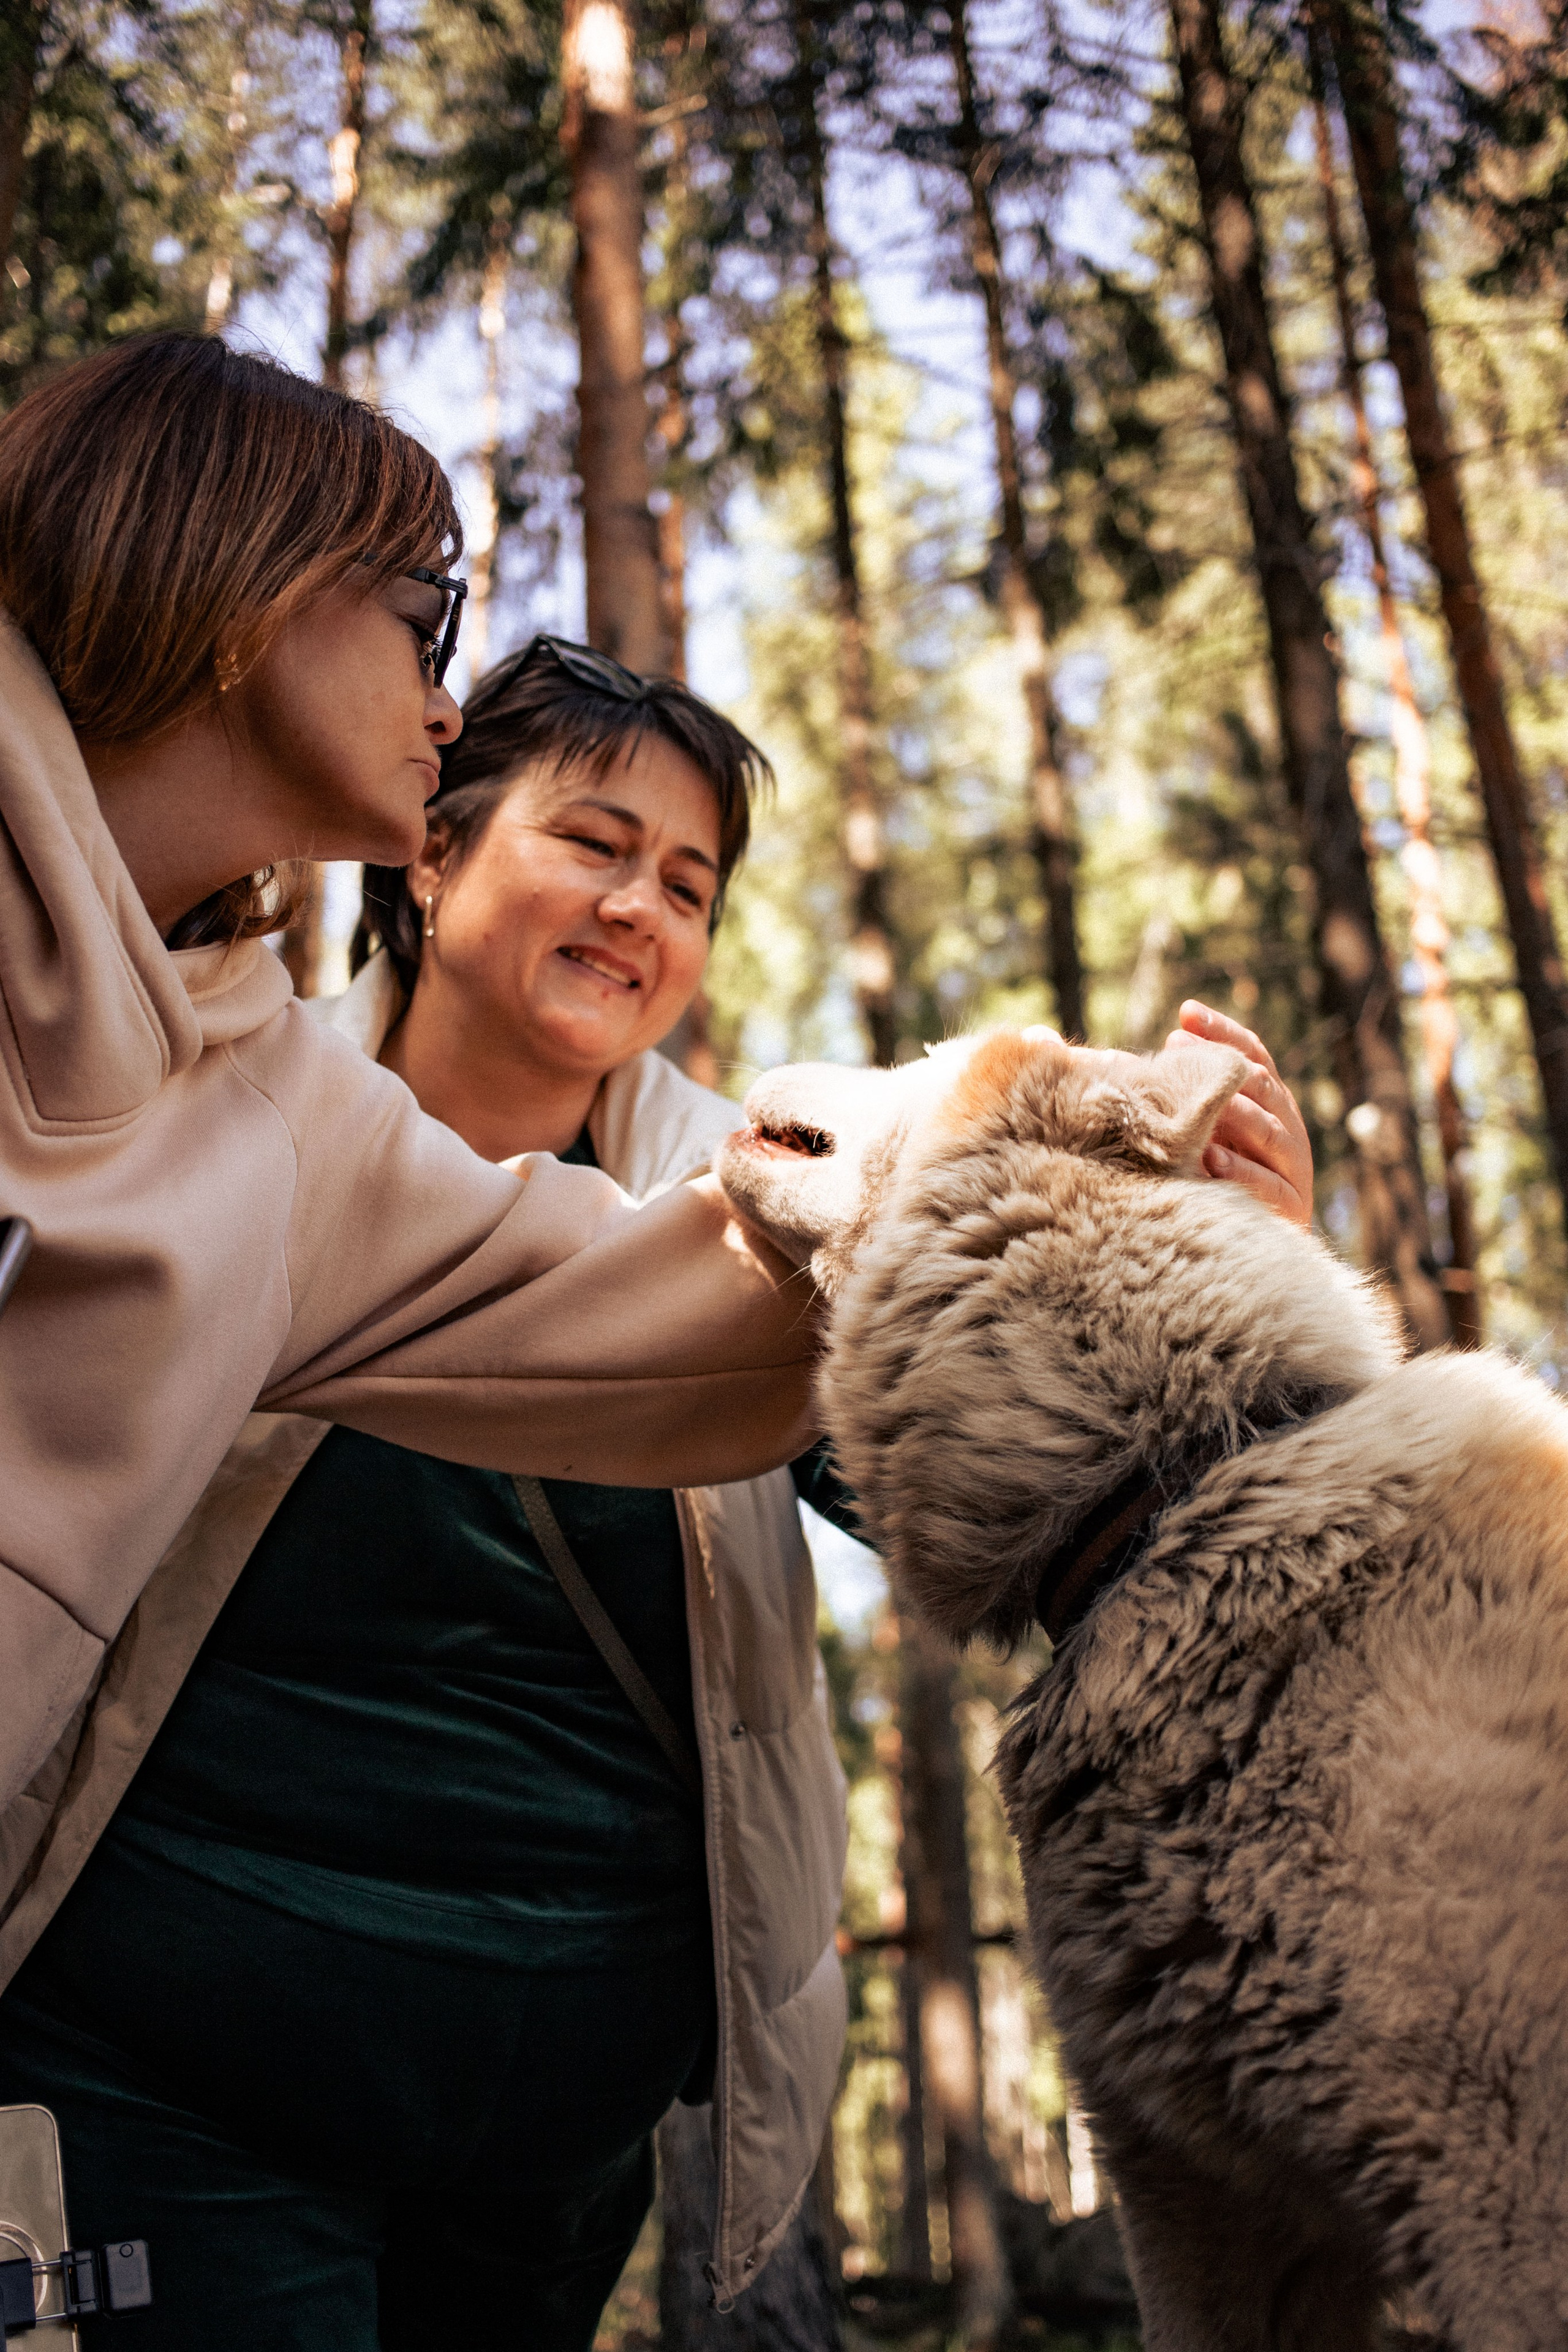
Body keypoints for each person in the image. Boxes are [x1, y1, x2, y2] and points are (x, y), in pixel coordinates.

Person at [0, 622, 1314, 2347]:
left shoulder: (797, 1197)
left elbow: (1063, 1512)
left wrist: (1241, 1286)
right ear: (435, 846)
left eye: (689, 885)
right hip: (169, 2087)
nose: (642, 910)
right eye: (594, 844)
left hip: (558, 2146)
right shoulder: (216, 1123)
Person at [0, 335, 816, 1813]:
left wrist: (1109, 1195)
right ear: (239, 572)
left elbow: (723, 1328)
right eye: (420, 631)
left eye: (691, 887)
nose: (440, 714)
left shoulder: (277, 1136)